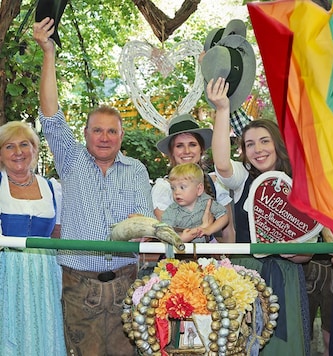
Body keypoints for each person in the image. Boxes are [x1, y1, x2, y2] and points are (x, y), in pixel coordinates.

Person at [34, 18, 154, 355]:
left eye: (112, 131)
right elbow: (50, 116)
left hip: (126, 283)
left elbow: (143, 221)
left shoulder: (136, 170)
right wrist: (48, 53)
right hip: (78, 283)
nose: (104, 137)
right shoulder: (71, 160)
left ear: (121, 136)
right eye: (97, 131)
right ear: (85, 134)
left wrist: (141, 227)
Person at [207, 76, 312, 355]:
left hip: (285, 279)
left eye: (264, 141)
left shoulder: (300, 185)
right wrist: (222, 110)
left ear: (277, 143)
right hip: (245, 275)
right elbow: (221, 162)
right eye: (250, 144)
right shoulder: (243, 178)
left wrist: (295, 253)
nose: (258, 149)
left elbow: (308, 252)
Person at [0, 121, 66, 355]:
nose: (18, 152)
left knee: (44, 332)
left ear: (35, 149)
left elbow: (58, 234)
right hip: (7, 272)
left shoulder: (50, 188)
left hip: (44, 273)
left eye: (24, 145)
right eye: (9, 146)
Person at [153, 114, 234, 242]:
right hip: (176, 258)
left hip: (211, 258)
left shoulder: (215, 183)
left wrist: (225, 259)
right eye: (179, 145)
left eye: (192, 144)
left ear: (201, 149)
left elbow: (228, 230)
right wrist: (203, 228)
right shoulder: (164, 187)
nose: (186, 151)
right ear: (171, 152)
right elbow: (165, 233)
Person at [161, 162, 228, 242]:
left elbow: (224, 217)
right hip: (184, 251)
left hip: (207, 249)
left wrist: (209, 230)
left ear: (199, 189)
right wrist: (181, 239)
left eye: (182, 187)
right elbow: (164, 232)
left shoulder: (206, 201)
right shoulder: (172, 210)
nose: (176, 192)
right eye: (173, 188)